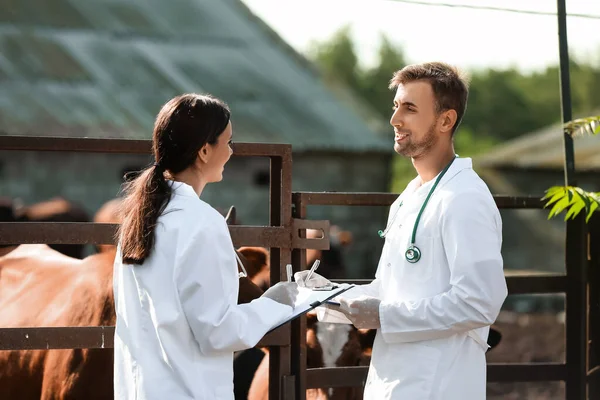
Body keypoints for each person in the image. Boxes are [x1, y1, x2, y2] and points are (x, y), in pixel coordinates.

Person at [295, 62, 508, 399]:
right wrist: (330, 295)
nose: (395, 120)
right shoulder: (408, 198)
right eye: (396, 107)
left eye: (409, 108)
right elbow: (389, 290)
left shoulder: (465, 198)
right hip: (392, 381)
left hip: (439, 387)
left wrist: (382, 315)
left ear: (446, 120)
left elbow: (479, 303)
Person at [113, 94, 298, 400]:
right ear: (203, 150)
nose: (231, 151)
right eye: (228, 142)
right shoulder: (202, 222)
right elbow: (218, 331)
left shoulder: (138, 218)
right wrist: (276, 303)